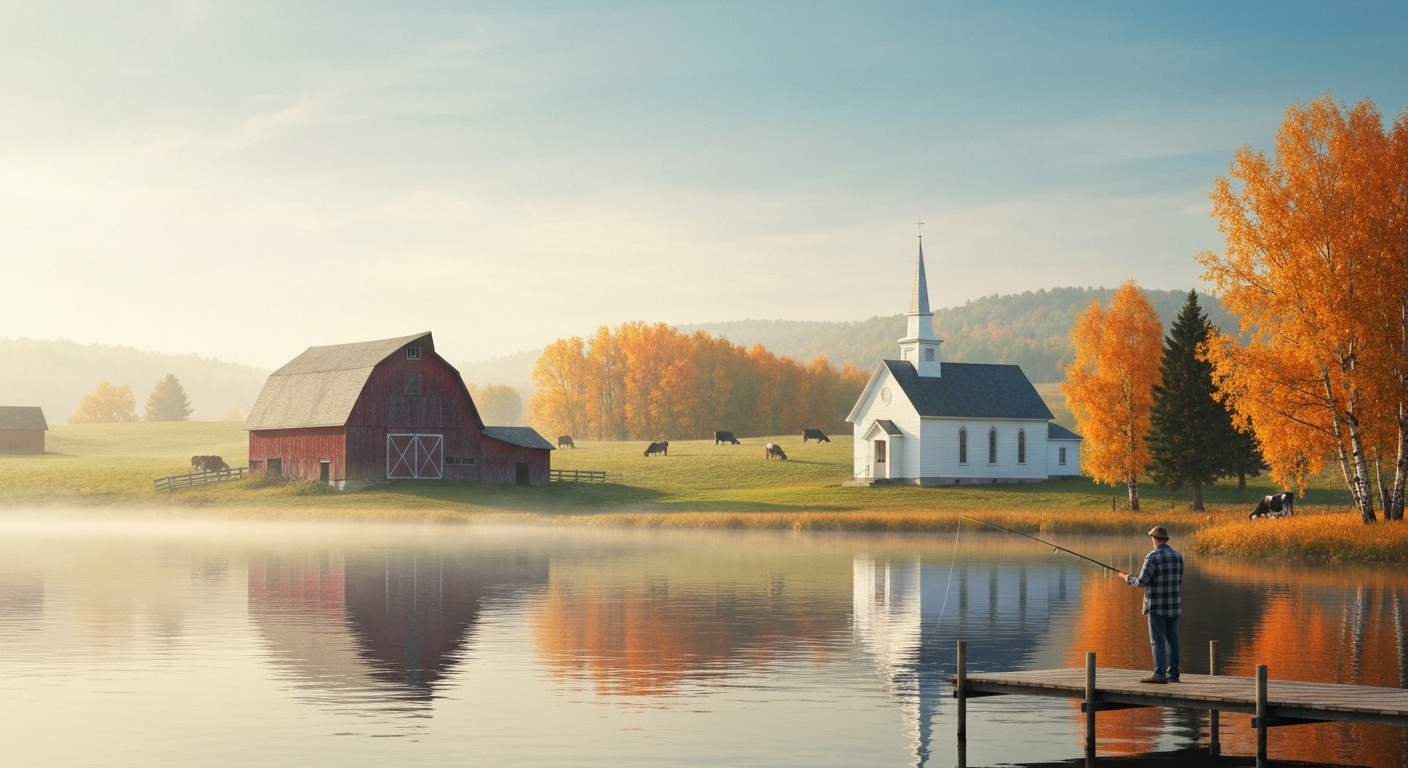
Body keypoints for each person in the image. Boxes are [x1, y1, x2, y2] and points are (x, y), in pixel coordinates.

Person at [1118, 526, 1184, 684]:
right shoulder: (1178, 556)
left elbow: (1142, 582)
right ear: (1165, 539)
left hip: (1157, 606)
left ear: (1154, 539)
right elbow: (1178, 580)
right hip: (1174, 605)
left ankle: (1159, 673)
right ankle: (1173, 672)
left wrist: (1127, 577)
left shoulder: (1152, 557)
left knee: (1157, 640)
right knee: (1173, 639)